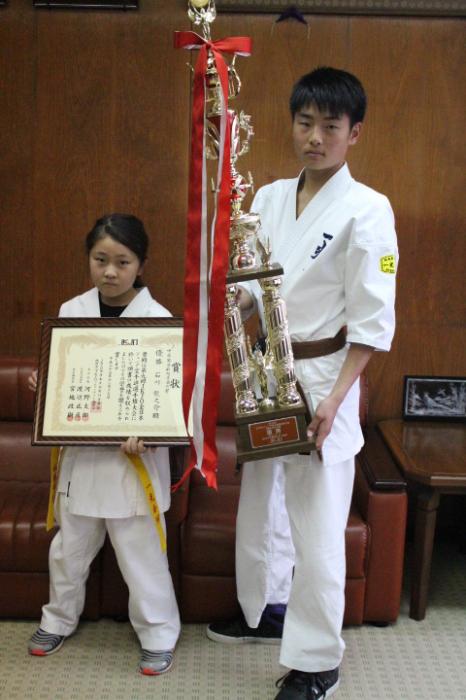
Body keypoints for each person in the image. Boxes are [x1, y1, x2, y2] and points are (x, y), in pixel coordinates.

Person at [207, 67, 398, 699]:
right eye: (304, 122)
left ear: (355, 134)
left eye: (329, 126)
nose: (313, 137)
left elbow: (371, 323)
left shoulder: (368, 209)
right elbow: (250, 283)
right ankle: (266, 610)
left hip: (325, 374)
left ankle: (319, 660)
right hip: (266, 363)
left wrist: (337, 399)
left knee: (316, 522)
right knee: (259, 502)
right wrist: (247, 359)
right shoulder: (264, 197)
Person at [27, 213, 180, 676]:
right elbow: (66, 385)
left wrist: (151, 434)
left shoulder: (159, 322)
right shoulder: (71, 313)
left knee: (142, 558)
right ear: (88, 260)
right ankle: (57, 620)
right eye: (100, 260)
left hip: (131, 465)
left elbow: (172, 399)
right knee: (68, 551)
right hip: (81, 461)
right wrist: (47, 389)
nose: (110, 271)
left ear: (141, 264)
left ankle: (158, 632)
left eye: (122, 261)